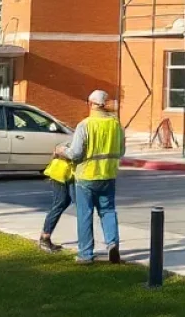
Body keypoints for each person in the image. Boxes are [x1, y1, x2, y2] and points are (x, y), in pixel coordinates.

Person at [60, 89, 125, 265]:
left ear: (90, 104)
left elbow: (75, 153)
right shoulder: (115, 124)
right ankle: (112, 244)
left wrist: (61, 151)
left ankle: (86, 254)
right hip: (108, 175)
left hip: (86, 176)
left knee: (85, 214)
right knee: (108, 211)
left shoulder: (85, 125)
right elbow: (121, 151)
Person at [38, 150, 75, 253]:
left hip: (66, 173)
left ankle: (45, 236)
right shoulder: (81, 136)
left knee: (64, 202)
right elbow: (59, 150)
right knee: (59, 204)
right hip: (61, 172)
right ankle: (45, 237)